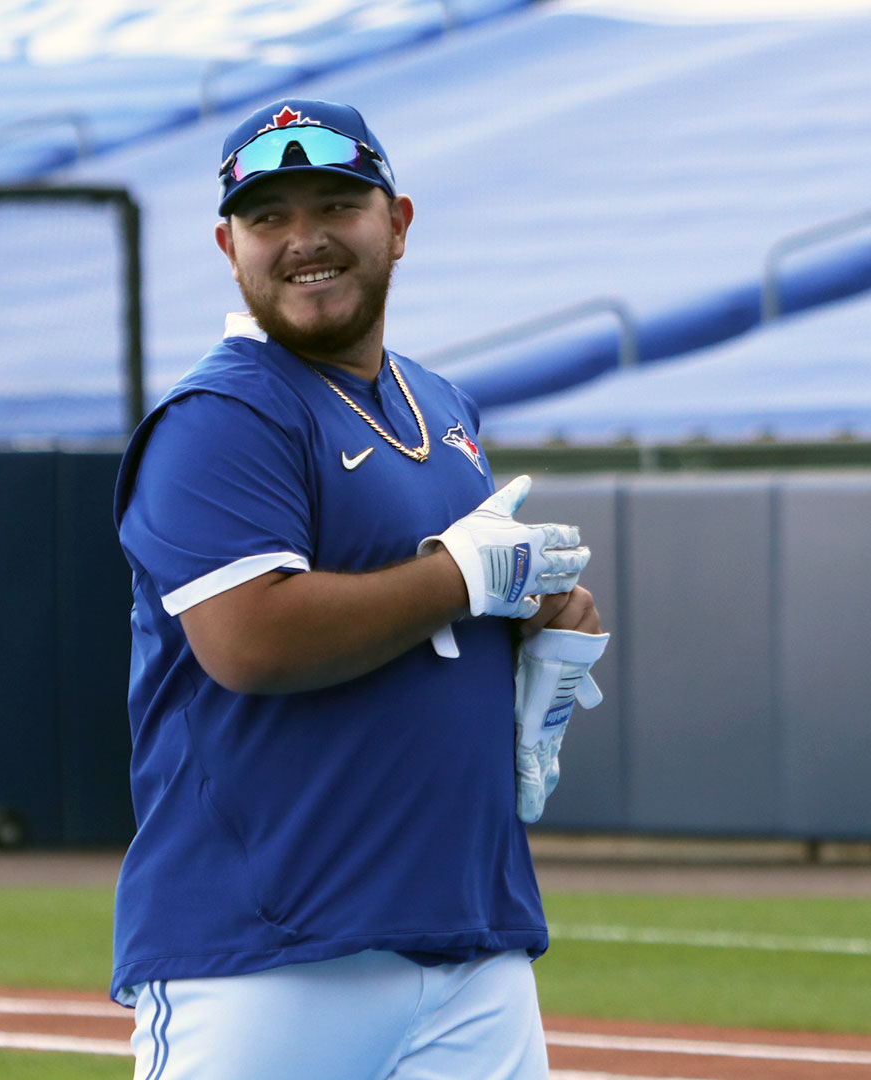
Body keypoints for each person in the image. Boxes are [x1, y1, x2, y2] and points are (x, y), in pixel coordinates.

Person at [111, 98, 605, 1080]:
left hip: (470, 934)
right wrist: (463, 577)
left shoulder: (441, 403)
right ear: (230, 246)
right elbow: (250, 639)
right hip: (269, 951)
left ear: (398, 223)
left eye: (337, 205)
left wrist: (542, 624)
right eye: (269, 217)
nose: (305, 240)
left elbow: (445, 612)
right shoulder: (222, 414)